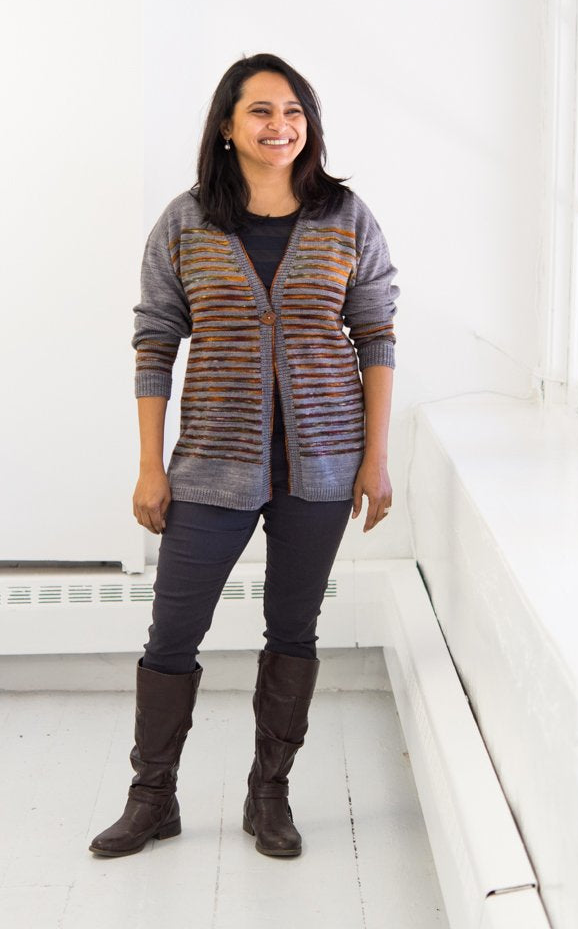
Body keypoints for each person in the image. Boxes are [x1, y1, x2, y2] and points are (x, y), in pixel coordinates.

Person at [89, 52, 399, 860]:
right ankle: (152, 797)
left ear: (311, 123)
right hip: (211, 467)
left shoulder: (346, 216)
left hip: (325, 464)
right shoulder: (189, 221)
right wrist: (151, 465)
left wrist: (376, 460)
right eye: (261, 111)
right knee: (172, 635)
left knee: (293, 630)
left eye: (293, 111)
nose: (280, 126)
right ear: (227, 125)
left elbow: (376, 334)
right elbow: (155, 340)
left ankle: (271, 797)